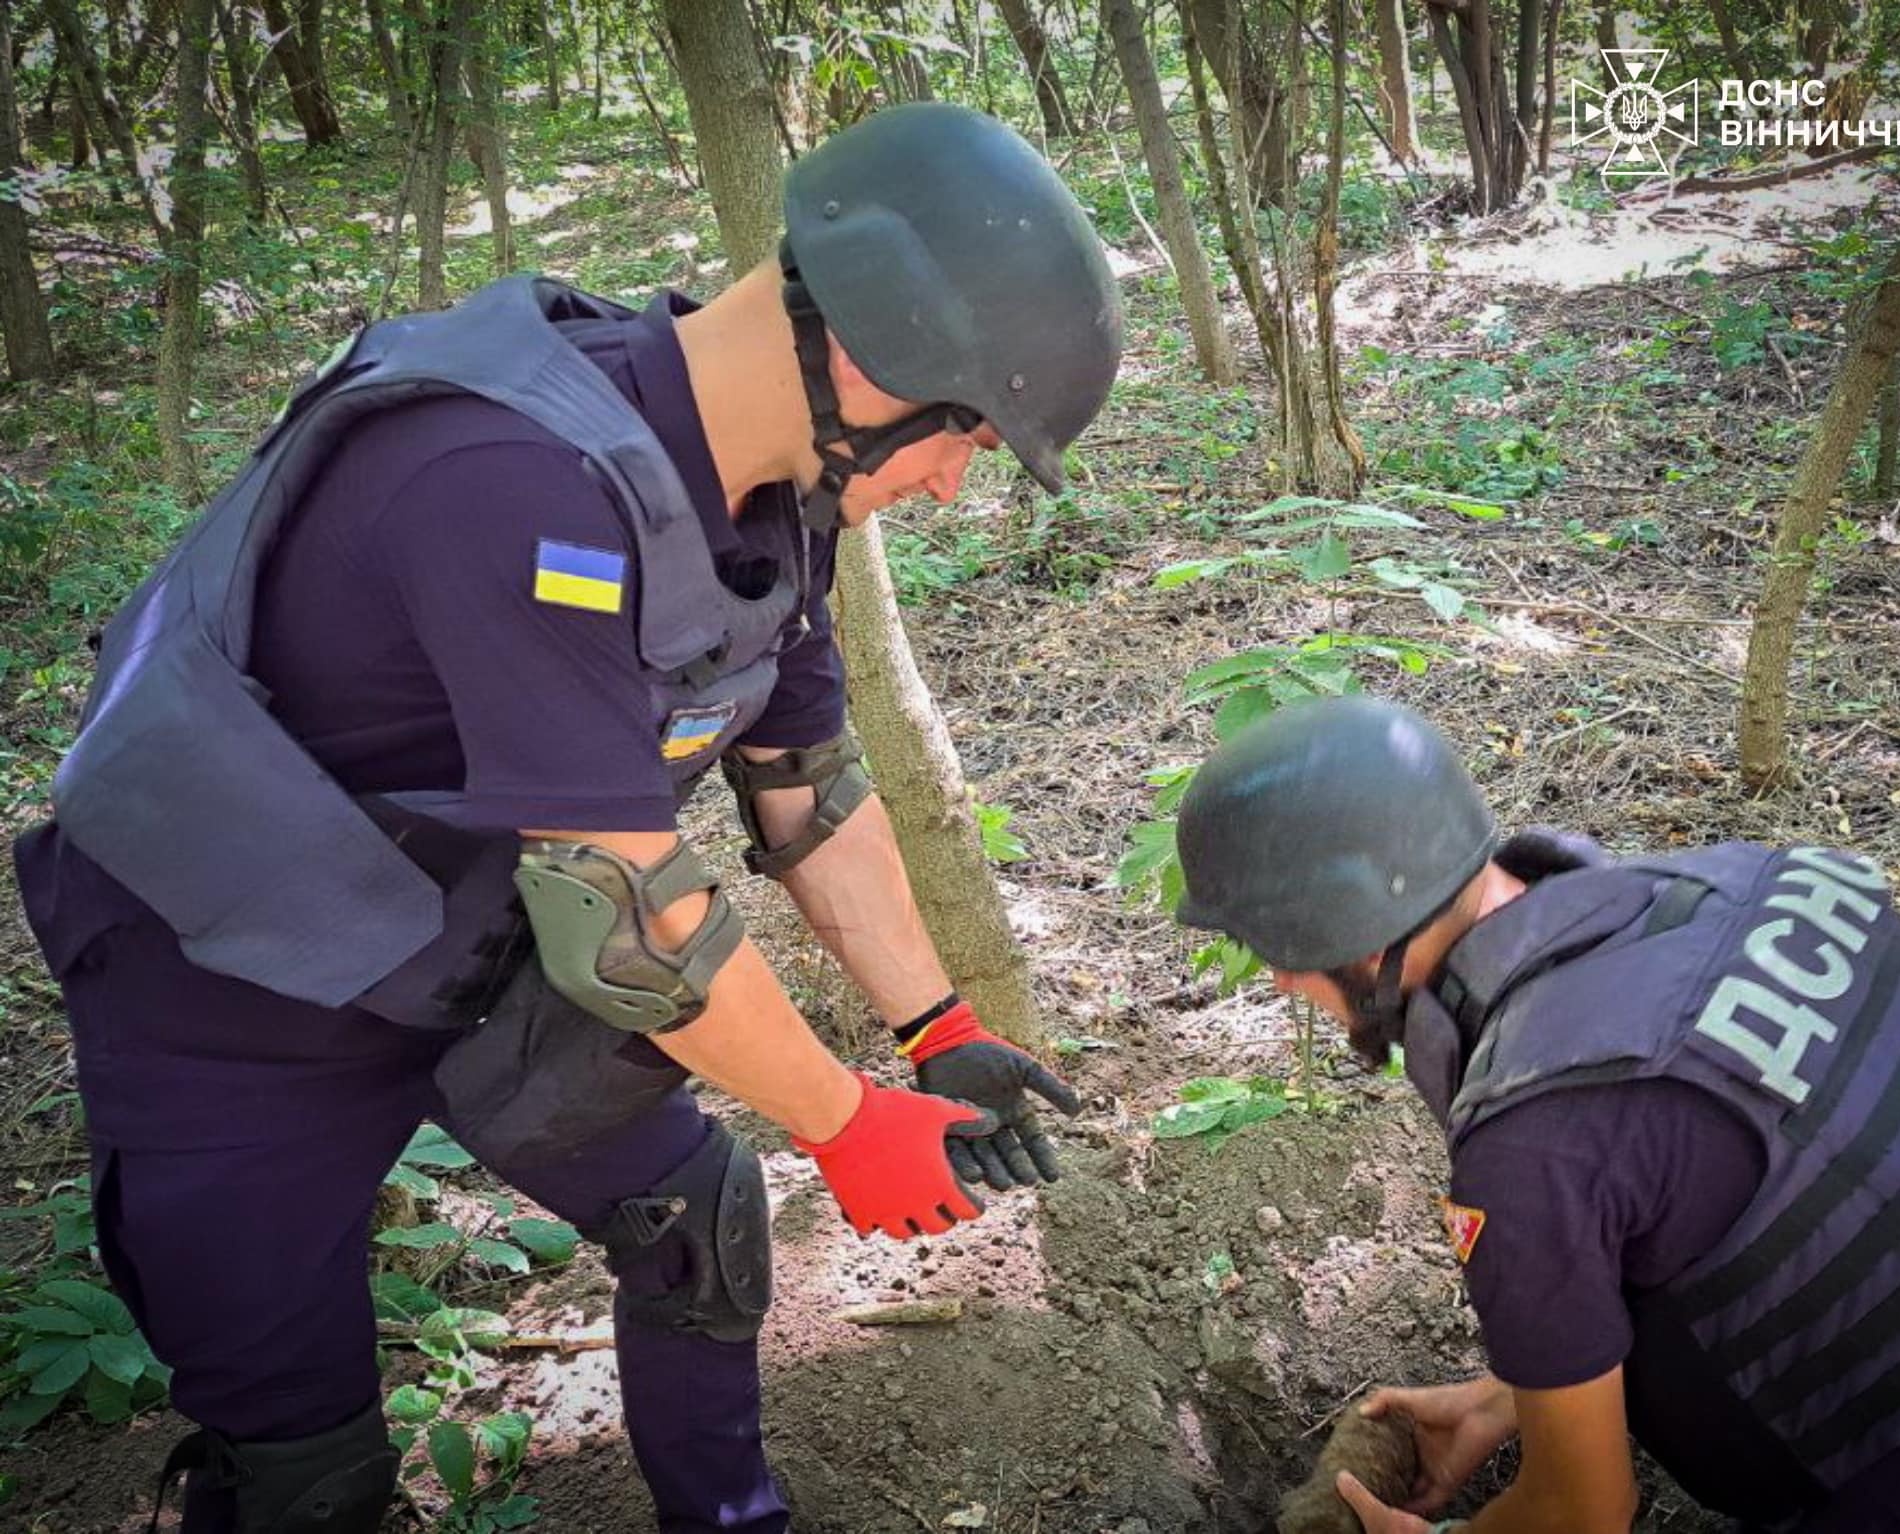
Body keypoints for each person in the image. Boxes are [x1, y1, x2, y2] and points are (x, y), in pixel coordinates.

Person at [11, 103, 1120, 1534]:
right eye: (963, 435)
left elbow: (806, 790)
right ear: (872, 351)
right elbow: (628, 916)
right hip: (230, 988)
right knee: (301, 1475)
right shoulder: (505, 479)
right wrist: (846, 1121)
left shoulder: (778, 504)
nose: (951, 482)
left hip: (469, 936)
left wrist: (938, 1029)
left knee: (696, 1225)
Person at [1173, 696, 1900, 1534]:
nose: (1281, 979)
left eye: (1278, 949)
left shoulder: (1532, 1141)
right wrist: (1509, 1398)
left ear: (1355, 933)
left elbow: (1581, 1515)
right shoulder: (1746, 880)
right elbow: (1750, 1180)